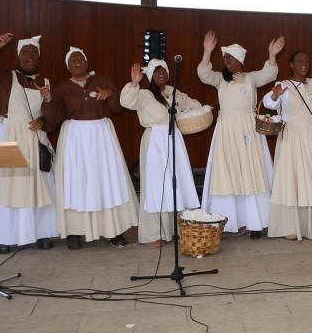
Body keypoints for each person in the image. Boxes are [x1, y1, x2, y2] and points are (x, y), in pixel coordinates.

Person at [43, 47, 138, 249]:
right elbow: (53, 119)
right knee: (76, 183)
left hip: (101, 137)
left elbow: (117, 108)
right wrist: (49, 101)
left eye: (81, 58)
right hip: (74, 140)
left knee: (106, 181)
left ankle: (113, 230)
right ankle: (75, 231)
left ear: (87, 62)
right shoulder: (61, 89)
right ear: (68, 67)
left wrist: (111, 93)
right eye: (73, 59)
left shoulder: (103, 81)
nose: (77, 61)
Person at [198, 31, 285, 237]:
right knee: (227, 173)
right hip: (226, 130)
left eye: (231, 57)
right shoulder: (220, 80)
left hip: (247, 130)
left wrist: (272, 55)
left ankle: (255, 223)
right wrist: (207, 52)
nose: (227, 61)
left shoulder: (250, 78)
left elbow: (269, 74)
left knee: (251, 172)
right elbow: (203, 74)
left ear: (240, 61)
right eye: (225, 57)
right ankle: (227, 222)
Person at [0, 33, 59, 252]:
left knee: (40, 184)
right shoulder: (5, 77)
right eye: (25, 52)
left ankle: (42, 233)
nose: (29, 56)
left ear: (39, 57)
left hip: (35, 137)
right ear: (18, 56)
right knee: (5, 185)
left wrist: (44, 117)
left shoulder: (46, 83)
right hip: (8, 134)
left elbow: (53, 115)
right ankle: (4, 236)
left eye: (33, 52)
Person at [120, 59, 203, 245]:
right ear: (150, 76)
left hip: (174, 140)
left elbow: (193, 105)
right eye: (157, 72)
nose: (162, 74)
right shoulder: (143, 94)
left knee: (176, 184)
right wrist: (133, 83)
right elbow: (125, 101)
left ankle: (179, 228)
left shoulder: (173, 92)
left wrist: (197, 112)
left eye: (164, 71)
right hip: (154, 142)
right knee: (156, 186)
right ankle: (153, 233)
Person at [262, 51, 312, 240]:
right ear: (291, 65)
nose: (304, 64)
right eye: (299, 61)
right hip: (291, 135)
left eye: (307, 61)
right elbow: (268, 103)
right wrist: (275, 96)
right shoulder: (283, 85)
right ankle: (291, 226)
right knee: (293, 179)